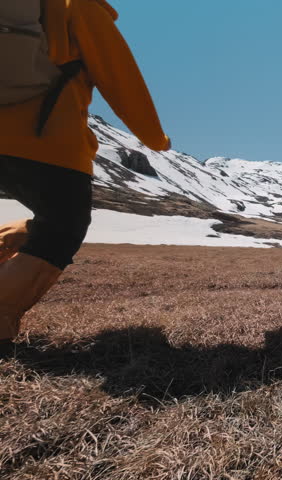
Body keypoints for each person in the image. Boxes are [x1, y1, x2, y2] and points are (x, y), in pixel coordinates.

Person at [0, 0, 170, 344]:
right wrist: (156, 139)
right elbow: (121, 78)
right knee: (63, 226)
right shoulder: (80, 6)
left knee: (51, 221)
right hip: (46, 140)